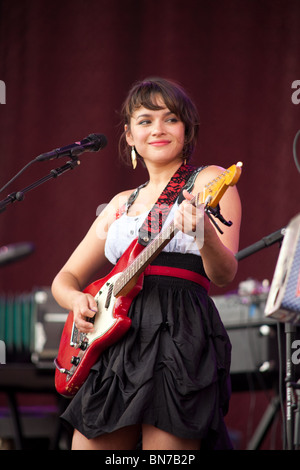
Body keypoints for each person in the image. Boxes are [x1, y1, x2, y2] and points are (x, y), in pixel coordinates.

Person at [51, 77, 242, 450]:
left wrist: (202, 230)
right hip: (117, 336)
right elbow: (66, 278)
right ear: (128, 135)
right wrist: (76, 300)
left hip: (180, 328)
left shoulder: (210, 181)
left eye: (170, 119)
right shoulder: (120, 203)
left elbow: (224, 273)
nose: (158, 129)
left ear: (187, 131)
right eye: (145, 120)